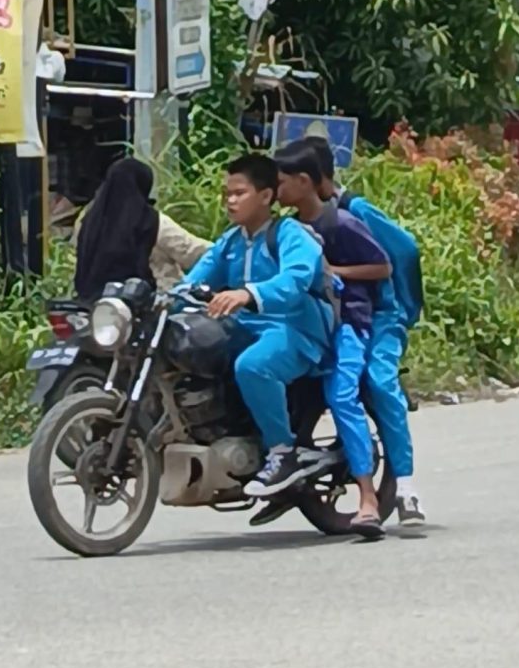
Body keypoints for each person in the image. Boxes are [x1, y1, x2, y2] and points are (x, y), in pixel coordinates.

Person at [180, 153, 334, 494]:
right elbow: (192, 282)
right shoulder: (231, 242)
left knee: (253, 366)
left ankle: (283, 451)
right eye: (227, 195)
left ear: (266, 196)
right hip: (245, 328)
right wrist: (160, 300)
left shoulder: (292, 234)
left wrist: (247, 294)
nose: (231, 201)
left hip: (294, 330)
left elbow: (295, 282)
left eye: (239, 193)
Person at [273, 141, 393, 539]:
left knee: (342, 394)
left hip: (348, 321)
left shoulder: (341, 223)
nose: (276, 191)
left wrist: (335, 270)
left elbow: (383, 266)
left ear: (304, 182)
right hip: (308, 322)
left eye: (282, 183)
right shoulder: (288, 229)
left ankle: (368, 499)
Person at [312, 136, 426, 526]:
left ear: (316, 181)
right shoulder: (301, 221)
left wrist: (404, 309)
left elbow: (405, 249)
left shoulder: (354, 209)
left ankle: (407, 490)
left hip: (382, 316)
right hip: (340, 318)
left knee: (379, 381)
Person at [73, 157, 212, 303]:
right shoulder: (151, 220)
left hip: (94, 306)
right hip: (149, 307)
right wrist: (227, 249)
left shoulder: (86, 221)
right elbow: (192, 252)